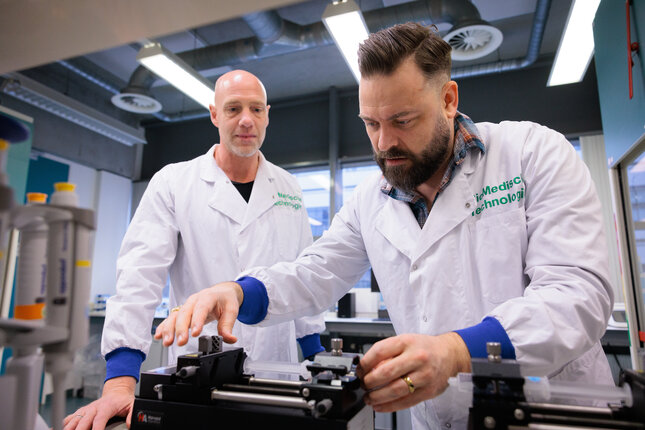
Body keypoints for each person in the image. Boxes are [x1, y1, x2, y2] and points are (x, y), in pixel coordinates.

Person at [155, 23, 615, 430]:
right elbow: (314, 272)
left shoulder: (533, 154)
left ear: (448, 99)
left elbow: (577, 294)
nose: (384, 143)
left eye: (403, 120)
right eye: (371, 123)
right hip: (437, 417)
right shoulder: (370, 200)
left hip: (549, 411)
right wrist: (238, 292)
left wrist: (455, 352)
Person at [63, 70, 325, 430]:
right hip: (199, 367)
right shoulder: (174, 183)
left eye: (255, 109)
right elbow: (139, 277)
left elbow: (302, 272)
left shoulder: (289, 187)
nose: (246, 120)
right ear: (215, 115)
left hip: (275, 372)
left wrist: (318, 358)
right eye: (233, 109)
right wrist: (120, 381)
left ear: (267, 114)